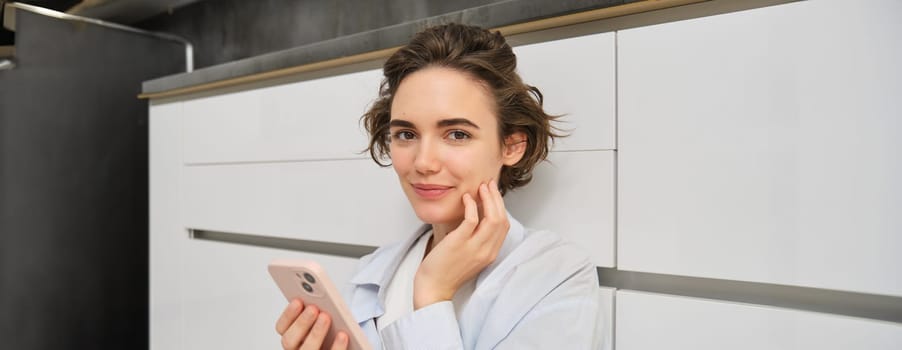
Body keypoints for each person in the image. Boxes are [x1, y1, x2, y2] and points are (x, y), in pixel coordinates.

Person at [276, 23, 602, 350]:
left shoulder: (556, 276)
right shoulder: (371, 273)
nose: (424, 162)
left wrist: (432, 294)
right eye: (406, 134)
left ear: (512, 146)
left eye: (457, 134)